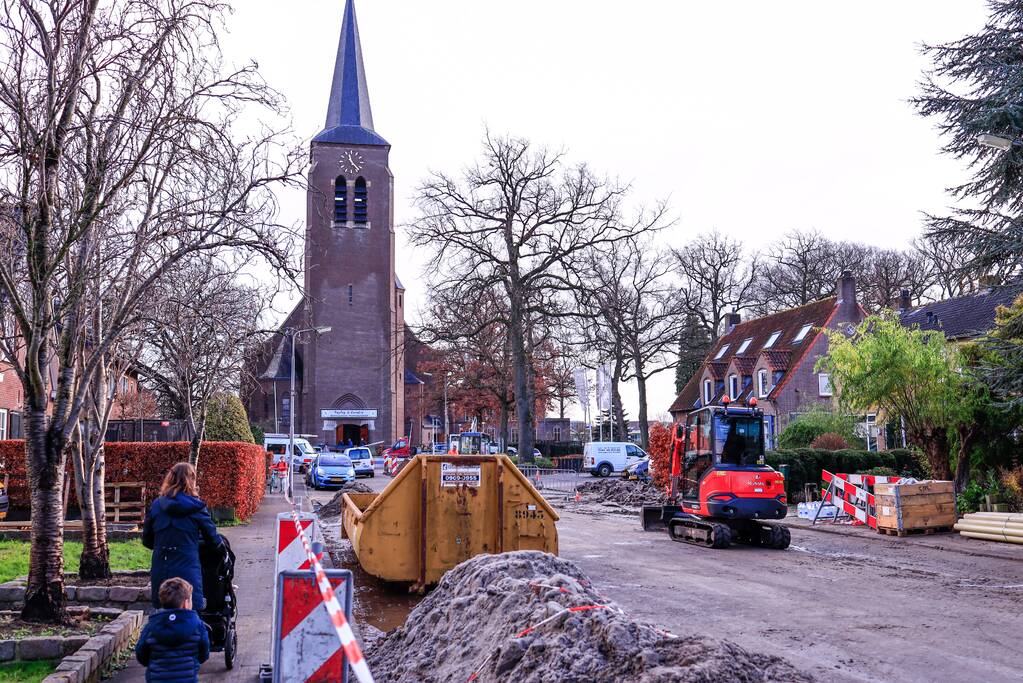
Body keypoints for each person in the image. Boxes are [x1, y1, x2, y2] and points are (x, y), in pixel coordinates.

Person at [143, 462, 223, 612]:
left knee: (163, 610)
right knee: (189, 611)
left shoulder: (157, 506)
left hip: (162, 566)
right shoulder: (197, 507)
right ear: (191, 480)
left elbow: (147, 540)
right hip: (187, 566)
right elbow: (213, 539)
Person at [136, 577, 210, 683]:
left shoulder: (151, 626)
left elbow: (141, 654)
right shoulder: (198, 626)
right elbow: (204, 653)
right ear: (186, 603)